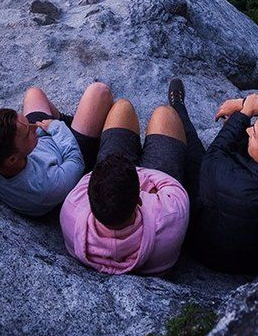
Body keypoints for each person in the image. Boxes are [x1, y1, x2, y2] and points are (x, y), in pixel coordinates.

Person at [167, 78, 258, 275]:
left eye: (254, 132)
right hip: (252, 245)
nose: (248, 129)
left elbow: (214, 156)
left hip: (213, 253)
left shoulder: (235, 186)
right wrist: (242, 104)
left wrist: (244, 114)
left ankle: (177, 108)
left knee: (187, 150)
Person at [59, 97, 190, 275]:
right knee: (164, 114)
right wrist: (142, 179)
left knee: (122, 107)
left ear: (90, 198)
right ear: (139, 199)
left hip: (128, 182)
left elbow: (89, 177)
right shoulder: (172, 215)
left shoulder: (71, 211)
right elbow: (171, 183)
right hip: (155, 178)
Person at [0, 81, 113, 216]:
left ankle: (75, 122)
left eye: (27, 124)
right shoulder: (46, 187)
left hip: (47, 141)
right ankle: (86, 126)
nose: (35, 127)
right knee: (99, 92)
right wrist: (56, 127)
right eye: (28, 132)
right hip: (70, 151)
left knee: (34, 93)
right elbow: (76, 161)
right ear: (12, 159)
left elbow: (30, 132)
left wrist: (35, 131)